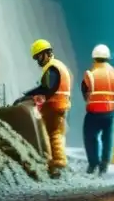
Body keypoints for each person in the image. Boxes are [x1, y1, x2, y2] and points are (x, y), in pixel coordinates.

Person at [13, 39, 71, 177]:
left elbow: (47, 88)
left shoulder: (52, 68)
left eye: (39, 56)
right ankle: (57, 163)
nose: (38, 61)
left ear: (46, 53)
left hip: (54, 105)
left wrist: (27, 95)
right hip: (60, 104)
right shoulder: (58, 65)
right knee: (56, 134)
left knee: (52, 135)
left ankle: (57, 165)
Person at [81, 44, 114, 177]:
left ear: (94, 58)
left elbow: (84, 93)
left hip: (93, 112)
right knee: (108, 138)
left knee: (90, 136)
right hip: (110, 112)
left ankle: (93, 164)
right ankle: (104, 166)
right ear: (108, 58)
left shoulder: (89, 74)